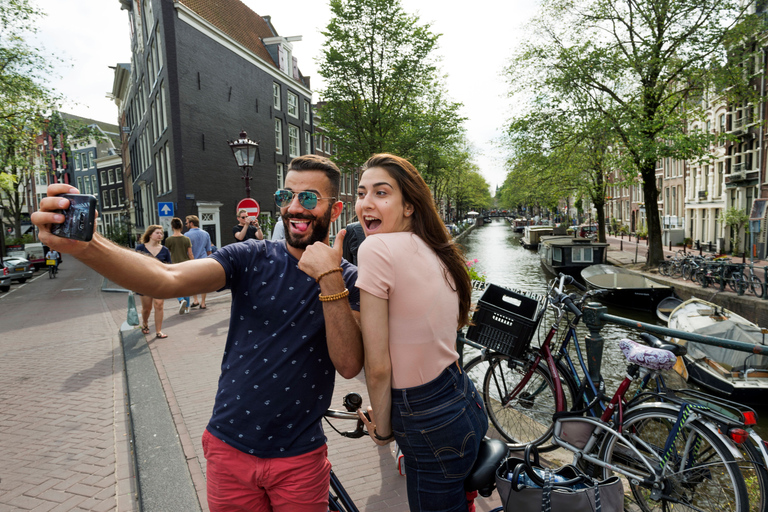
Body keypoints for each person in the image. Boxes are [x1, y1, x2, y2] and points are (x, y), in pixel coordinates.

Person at [32, 154, 362, 512]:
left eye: (309, 198)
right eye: (286, 196)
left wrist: (329, 278)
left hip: (300, 457)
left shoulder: (349, 280)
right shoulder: (249, 257)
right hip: (228, 448)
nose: (295, 208)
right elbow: (167, 279)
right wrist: (89, 246)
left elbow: (348, 364)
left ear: (336, 208)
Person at [354, 154, 488, 512]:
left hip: (429, 421)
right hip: (464, 401)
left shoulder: (376, 248)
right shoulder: (435, 247)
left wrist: (382, 431)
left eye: (381, 193)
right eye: (361, 192)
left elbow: (378, 364)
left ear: (409, 205)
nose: (366, 203)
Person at [135, 225, 172, 339]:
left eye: (161, 233)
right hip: (144, 282)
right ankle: (145, 323)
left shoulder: (164, 250)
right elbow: (135, 265)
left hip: (160, 282)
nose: (160, 235)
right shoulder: (140, 248)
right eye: (157, 233)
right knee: (147, 308)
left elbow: (169, 266)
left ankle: (158, 331)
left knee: (159, 305)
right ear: (150, 234)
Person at [165, 217, 194, 314]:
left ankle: (181, 300)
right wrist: (194, 264)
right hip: (186, 265)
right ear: (181, 226)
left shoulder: (168, 240)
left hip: (174, 266)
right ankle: (187, 308)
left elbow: (167, 254)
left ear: (172, 227)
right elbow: (190, 254)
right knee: (187, 287)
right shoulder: (186, 239)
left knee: (175, 286)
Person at [185, 215, 212, 309]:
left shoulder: (187, 235)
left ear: (191, 223)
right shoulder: (206, 233)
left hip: (192, 262)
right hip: (204, 260)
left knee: (193, 282)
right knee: (203, 283)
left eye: (187, 223)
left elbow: (187, 251)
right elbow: (209, 249)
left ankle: (195, 300)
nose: (186, 224)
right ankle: (203, 303)